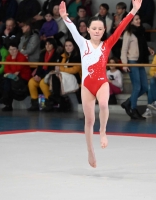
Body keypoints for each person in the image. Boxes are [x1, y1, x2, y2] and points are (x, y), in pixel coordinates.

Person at [59, 0, 143, 168]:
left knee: (104, 105)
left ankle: (103, 132)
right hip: (87, 86)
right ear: (88, 30)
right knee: (89, 120)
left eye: (100, 29)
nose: (97, 31)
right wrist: (64, 18)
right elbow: (73, 30)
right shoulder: (83, 43)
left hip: (102, 83)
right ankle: (90, 150)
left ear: (104, 30)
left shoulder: (107, 44)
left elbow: (120, 28)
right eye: (94, 28)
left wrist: (133, 10)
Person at [121, 13, 154, 119]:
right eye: (136, 19)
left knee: (144, 87)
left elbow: (141, 44)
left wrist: (148, 49)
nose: (138, 21)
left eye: (139, 19)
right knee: (137, 87)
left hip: (140, 61)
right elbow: (124, 49)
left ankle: (128, 102)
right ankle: (133, 108)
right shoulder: (128, 33)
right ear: (131, 21)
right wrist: (125, 64)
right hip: (132, 61)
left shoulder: (140, 32)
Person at [27, 38, 59, 111]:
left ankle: (49, 103)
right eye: (46, 44)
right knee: (31, 82)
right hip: (41, 74)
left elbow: (52, 68)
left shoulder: (57, 54)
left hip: (50, 75)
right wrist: (37, 75)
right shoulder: (42, 54)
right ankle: (34, 104)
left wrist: (41, 77)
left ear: (53, 45)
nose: (47, 46)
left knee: (42, 83)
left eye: (49, 44)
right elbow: (39, 66)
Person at [1, 42, 31, 111]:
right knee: (6, 82)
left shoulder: (22, 57)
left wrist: (14, 59)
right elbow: (6, 69)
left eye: (14, 49)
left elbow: (17, 70)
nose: (12, 51)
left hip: (23, 78)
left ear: (17, 50)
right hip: (12, 78)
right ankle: (7, 102)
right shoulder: (8, 57)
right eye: (10, 49)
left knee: (7, 82)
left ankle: (7, 103)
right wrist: (11, 74)